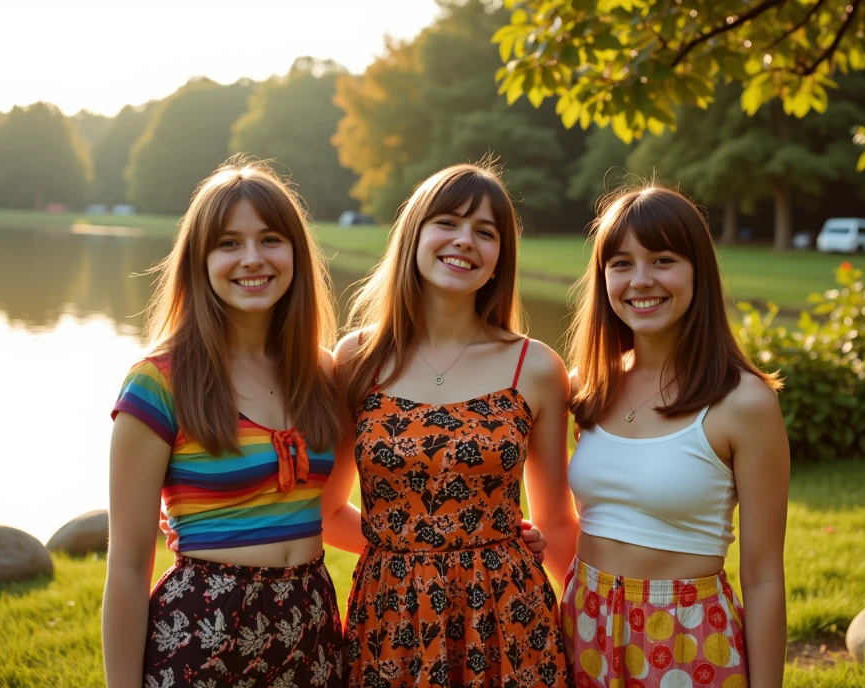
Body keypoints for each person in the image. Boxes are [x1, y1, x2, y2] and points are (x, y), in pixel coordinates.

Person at [327, 162, 578, 687]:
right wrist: (419, 558)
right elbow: (327, 510)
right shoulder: (358, 358)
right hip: (391, 614)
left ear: (498, 261)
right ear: (414, 234)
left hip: (509, 615)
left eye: (485, 232)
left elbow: (555, 522)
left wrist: (581, 630)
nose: (465, 241)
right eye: (448, 222)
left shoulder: (534, 367)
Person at [103, 158, 345, 688]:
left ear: (296, 254)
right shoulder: (159, 382)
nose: (252, 258)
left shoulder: (321, 371)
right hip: (205, 635)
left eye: (271, 239)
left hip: (311, 630)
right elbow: (125, 564)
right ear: (200, 259)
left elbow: (327, 510)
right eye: (229, 243)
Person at [563, 185, 789, 688]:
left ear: (697, 272)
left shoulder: (744, 403)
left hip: (686, 636)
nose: (640, 280)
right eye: (621, 263)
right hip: (584, 621)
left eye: (662, 259)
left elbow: (764, 577)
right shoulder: (587, 387)